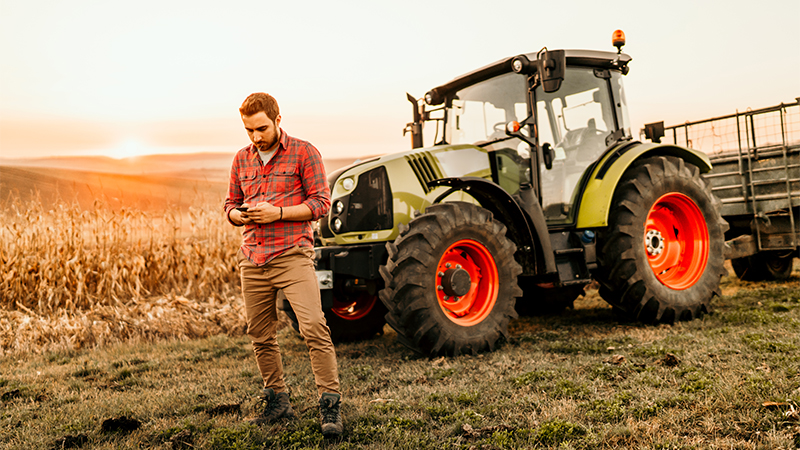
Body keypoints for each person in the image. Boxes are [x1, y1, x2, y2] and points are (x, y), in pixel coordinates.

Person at [224, 92, 342, 437]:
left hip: (292, 254)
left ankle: (330, 406)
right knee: (260, 335)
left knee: (313, 327)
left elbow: (321, 204)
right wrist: (236, 215)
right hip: (253, 258)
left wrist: (277, 213)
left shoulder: (304, 152)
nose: (256, 137)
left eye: (261, 128)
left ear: (277, 120)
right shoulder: (241, 159)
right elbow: (230, 203)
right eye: (249, 130)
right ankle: (277, 403)